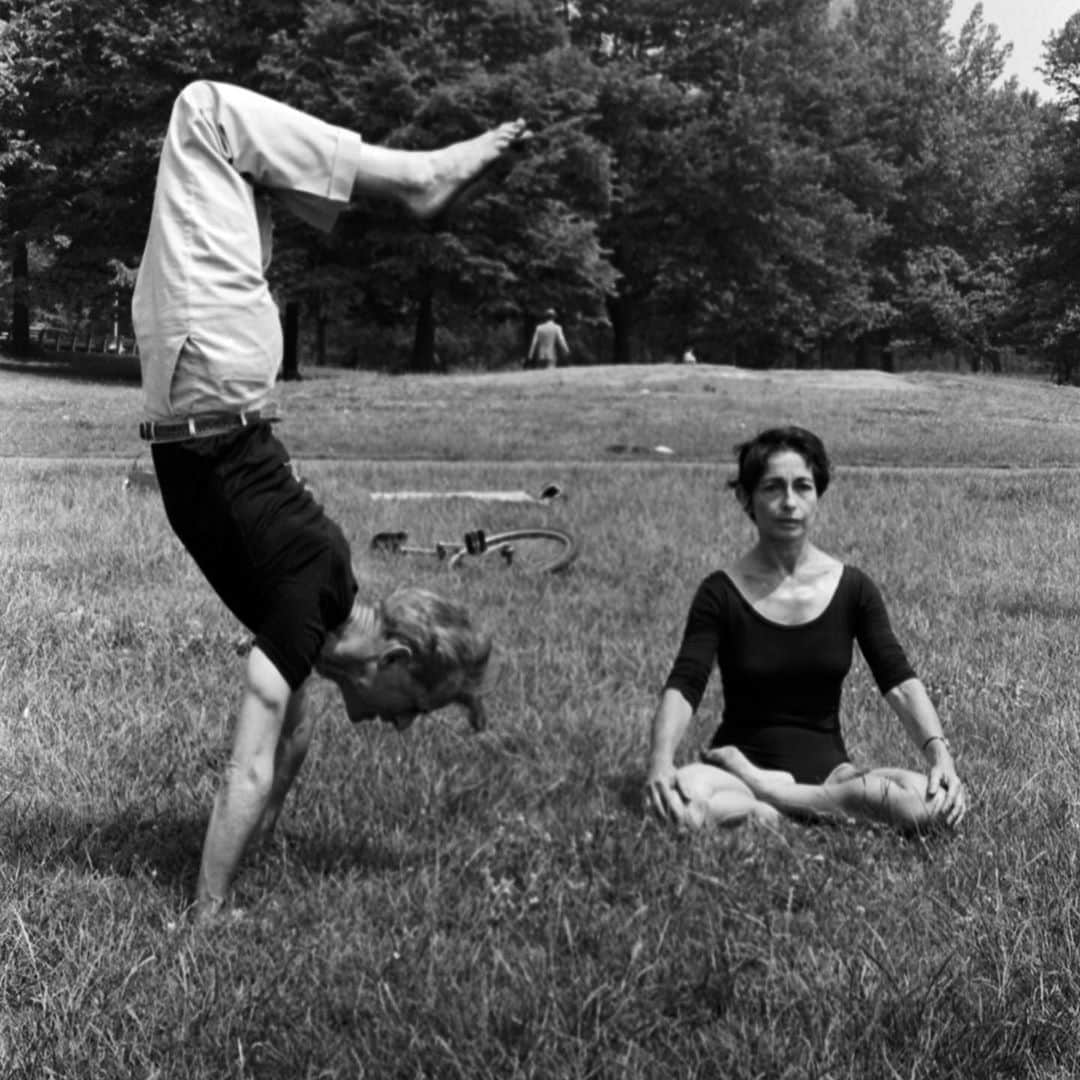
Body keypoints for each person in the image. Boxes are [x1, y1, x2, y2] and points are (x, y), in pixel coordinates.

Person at [133, 81, 526, 919]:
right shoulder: (315, 587)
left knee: (243, 169)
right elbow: (248, 763)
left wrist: (259, 845)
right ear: (391, 664)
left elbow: (291, 740)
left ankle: (377, 182)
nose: (404, 727)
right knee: (202, 110)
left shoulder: (317, 616)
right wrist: (207, 914)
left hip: (206, 382)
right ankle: (412, 180)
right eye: (416, 706)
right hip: (209, 378)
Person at [645, 426, 966, 834]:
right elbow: (685, 683)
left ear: (818, 495)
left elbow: (898, 680)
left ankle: (775, 803)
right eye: (773, 488)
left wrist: (940, 756)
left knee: (931, 806)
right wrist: (660, 762)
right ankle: (797, 809)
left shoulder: (854, 588)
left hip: (832, 775)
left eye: (803, 487)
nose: (789, 502)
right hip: (736, 772)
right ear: (746, 498)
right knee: (677, 805)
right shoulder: (720, 592)